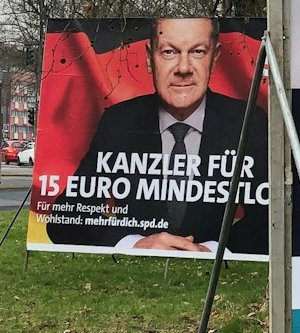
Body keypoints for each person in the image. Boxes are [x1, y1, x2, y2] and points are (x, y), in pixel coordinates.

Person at [52, 17, 268, 253]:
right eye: (168, 52)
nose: (183, 68)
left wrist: (214, 250)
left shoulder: (247, 121)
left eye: (197, 51)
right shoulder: (120, 121)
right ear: (149, 58)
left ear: (214, 58)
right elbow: (65, 218)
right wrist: (135, 243)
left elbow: (273, 220)